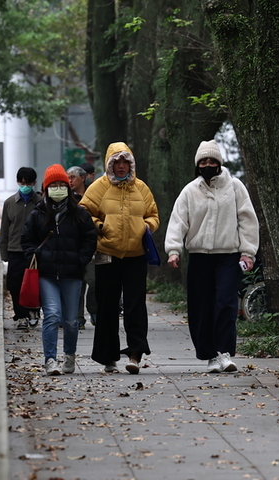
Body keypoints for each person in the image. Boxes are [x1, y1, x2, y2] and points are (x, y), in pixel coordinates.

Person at [165, 139, 259, 373]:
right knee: (202, 307)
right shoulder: (190, 191)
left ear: (219, 163)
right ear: (198, 165)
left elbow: (247, 220)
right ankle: (209, 355)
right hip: (199, 257)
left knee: (225, 303)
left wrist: (248, 252)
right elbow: (178, 221)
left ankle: (225, 352)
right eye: (203, 161)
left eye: (212, 161)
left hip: (228, 256)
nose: (208, 165)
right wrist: (173, 250)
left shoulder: (235, 187)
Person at [79, 142, 159, 374]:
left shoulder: (141, 188)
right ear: (109, 164)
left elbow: (153, 214)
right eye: (116, 162)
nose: (121, 166)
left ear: (131, 164)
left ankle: (135, 354)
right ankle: (108, 357)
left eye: (125, 162)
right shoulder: (98, 187)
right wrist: (100, 225)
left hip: (136, 255)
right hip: (107, 254)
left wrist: (146, 226)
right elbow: (84, 211)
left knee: (135, 305)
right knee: (107, 306)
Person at [22, 164, 97, 375]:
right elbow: (26, 240)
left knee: (71, 321)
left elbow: (90, 238)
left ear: (67, 187)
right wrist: (35, 256)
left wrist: (81, 259)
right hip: (46, 274)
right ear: (46, 189)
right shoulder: (37, 214)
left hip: (72, 274)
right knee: (52, 315)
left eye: (60, 185)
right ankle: (50, 359)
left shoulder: (79, 213)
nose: (57, 189)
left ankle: (69, 356)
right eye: (52, 185)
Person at [0, 167, 42, 330]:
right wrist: (4, 252)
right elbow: (4, 229)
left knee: (34, 285)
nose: (25, 185)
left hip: (34, 251)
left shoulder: (39, 203)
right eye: (22, 182)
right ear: (18, 182)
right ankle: (21, 315)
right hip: (15, 249)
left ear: (34, 183)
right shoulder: (10, 203)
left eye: (28, 182)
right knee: (15, 284)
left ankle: (33, 311)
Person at [67, 165, 96, 330]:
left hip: (92, 246)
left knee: (93, 281)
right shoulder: (67, 199)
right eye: (68, 178)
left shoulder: (94, 195)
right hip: (73, 247)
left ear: (83, 178)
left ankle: (94, 310)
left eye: (73, 177)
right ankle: (78, 317)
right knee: (77, 284)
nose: (70, 181)